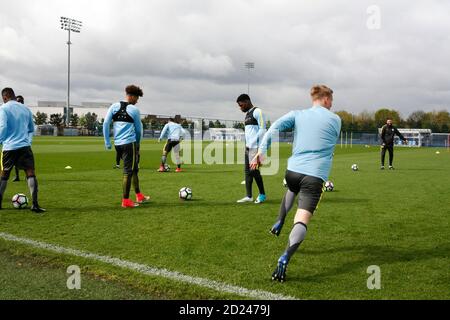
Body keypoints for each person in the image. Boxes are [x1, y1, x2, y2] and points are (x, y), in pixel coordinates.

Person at [251, 85, 341, 282]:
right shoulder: (336, 120)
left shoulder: (297, 114)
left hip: (292, 171)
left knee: (292, 189)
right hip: (314, 176)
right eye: (331, 100)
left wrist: (260, 152)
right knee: (301, 220)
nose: (332, 104)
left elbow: (273, 128)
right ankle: (285, 257)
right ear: (325, 99)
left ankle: (280, 220)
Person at [103, 85, 150, 208]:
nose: (137, 101)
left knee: (134, 169)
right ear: (132, 96)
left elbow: (106, 123)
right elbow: (139, 130)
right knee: (129, 171)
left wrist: (107, 142)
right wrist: (138, 144)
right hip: (130, 144)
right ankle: (126, 200)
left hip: (118, 144)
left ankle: (139, 195)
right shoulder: (134, 110)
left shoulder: (114, 106)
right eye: (137, 98)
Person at [0, 88, 46, 213]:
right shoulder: (25, 109)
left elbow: (3, 126)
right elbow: (31, 128)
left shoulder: (3, 108)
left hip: (9, 147)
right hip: (24, 146)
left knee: (4, 174)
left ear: (5, 97)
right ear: (14, 96)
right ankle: (35, 204)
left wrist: (0, 139)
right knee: (30, 173)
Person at [236, 94, 267, 204]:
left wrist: (253, 143)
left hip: (256, 148)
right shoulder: (247, 115)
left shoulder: (258, 111)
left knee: (254, 171)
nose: (240, 107)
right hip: (248, 147)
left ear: (247, 101)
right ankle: (249, 196)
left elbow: (263, 130)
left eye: (241, 105)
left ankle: (262, 194)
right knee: (247, 172)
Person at [13, 95, 25, 181]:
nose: (19, 102)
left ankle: (27, 175)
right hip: (14, 140)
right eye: (18, 101)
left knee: (25, 159)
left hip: (24, 140)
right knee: (14, 160)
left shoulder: (25, 111)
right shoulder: (12, 112)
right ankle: (17, 176)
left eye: (21, 101)